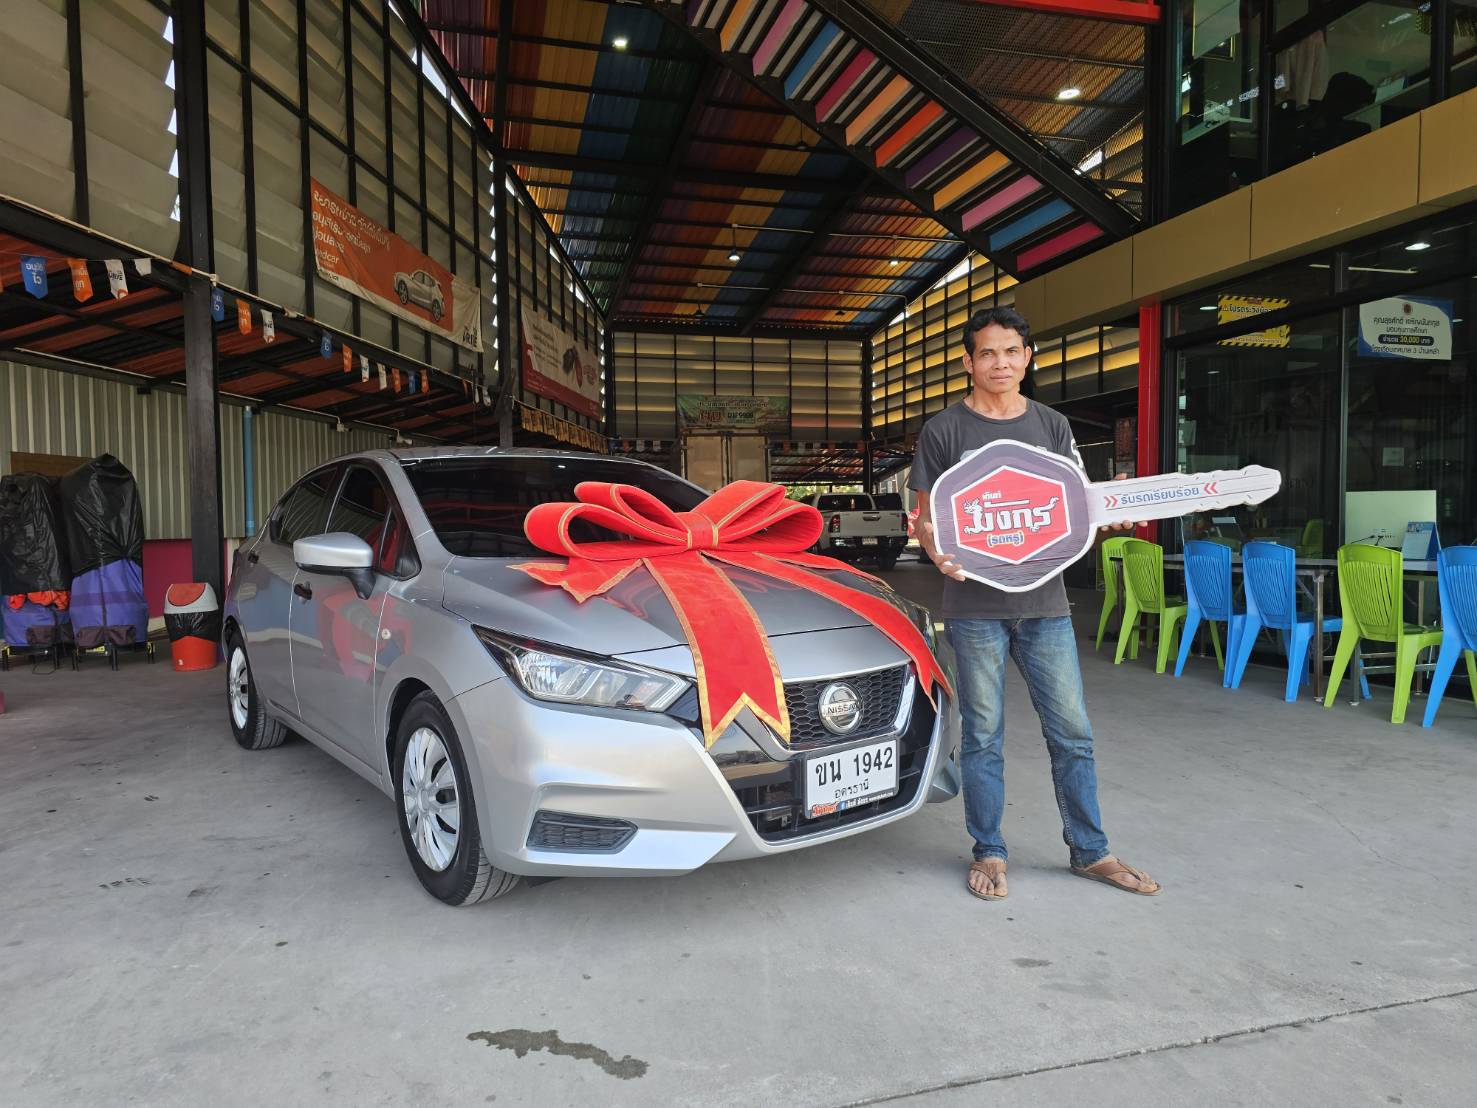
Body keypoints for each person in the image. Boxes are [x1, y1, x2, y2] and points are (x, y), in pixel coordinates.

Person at [909, 306, 1160, 901]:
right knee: (983, 736)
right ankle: (989, 851)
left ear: (1027, 358)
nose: (1000, 363)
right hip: (973, 608)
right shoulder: (944, 431)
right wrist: (937, 552)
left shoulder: (1051, 425)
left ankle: (1091, 851)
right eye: (987, 353)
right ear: (968, 361)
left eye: (1011, 352)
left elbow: (1075, 502)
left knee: (1073, 733)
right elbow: (925, 517)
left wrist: (1102, 519)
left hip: (1046, 605)